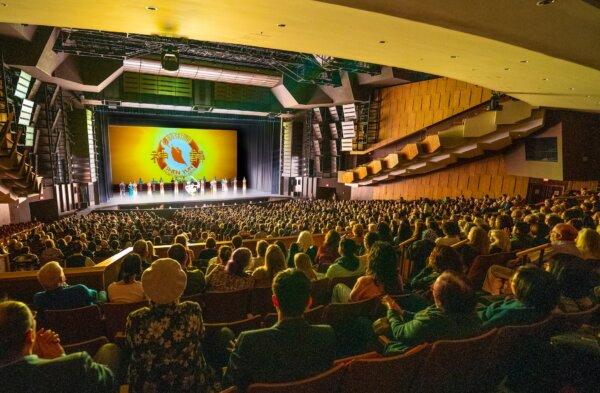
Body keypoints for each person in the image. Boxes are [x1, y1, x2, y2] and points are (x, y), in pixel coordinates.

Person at [224, 269, 336, 391]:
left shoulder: (248, 341)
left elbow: (230, 385)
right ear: (309, 302)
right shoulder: (326, 335)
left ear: (274, 301)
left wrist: (239, 352)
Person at [125, 258, 216, 392]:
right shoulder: (193, 310)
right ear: (180, 286)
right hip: (191, 384)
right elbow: (201, 336)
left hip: (148, 385)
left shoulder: (135, 318)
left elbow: (130, 348)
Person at [0, 300, 117, 393]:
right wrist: (60, 358)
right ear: (30, 336)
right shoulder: (76, 366)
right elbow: (108, 383)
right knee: (110, 349)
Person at [381, 271, 481, 355]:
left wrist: (391, 310)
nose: (431, 287)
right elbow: (421, 321)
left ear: (441, 300)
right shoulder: (471, 315)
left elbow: (399, 332)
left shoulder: (431, 321)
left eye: (433, 288)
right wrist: (403, 313)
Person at [478, 265, 559, 329]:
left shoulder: (509, 314)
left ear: (523, 288)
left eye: (514, 281)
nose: (510, 281)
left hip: (480, 316)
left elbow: (483, 328)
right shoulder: (542, 307)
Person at [333, 241, 403, 303]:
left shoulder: (364, 281)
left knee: (338, 287)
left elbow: (352, 302)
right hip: (384, 312)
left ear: (372, 260)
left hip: (362, 313)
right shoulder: (397, 278)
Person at [34, 262, 101, 313]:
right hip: (85, 328)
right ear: (61, 279)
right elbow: (95, 294)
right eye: (63, 273)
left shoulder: (38, 298)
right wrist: (68, 287)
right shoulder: (79, 290)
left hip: (56, 331)